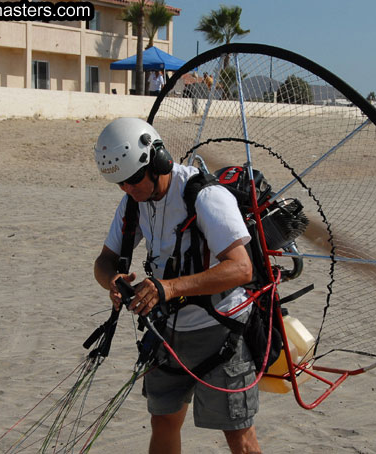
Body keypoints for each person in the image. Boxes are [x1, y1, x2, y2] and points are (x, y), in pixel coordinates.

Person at [93, 118, 262, 454]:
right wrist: (111, 281)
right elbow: (104, 261)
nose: (128, 189)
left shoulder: (205, 197)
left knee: (237, 435)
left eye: (133, 180)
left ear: (159, 161)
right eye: (120, 184)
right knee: (164, 421)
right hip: (165, 335)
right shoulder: (132, 202)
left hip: (220, 332)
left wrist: (167, 288)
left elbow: (242, 268)